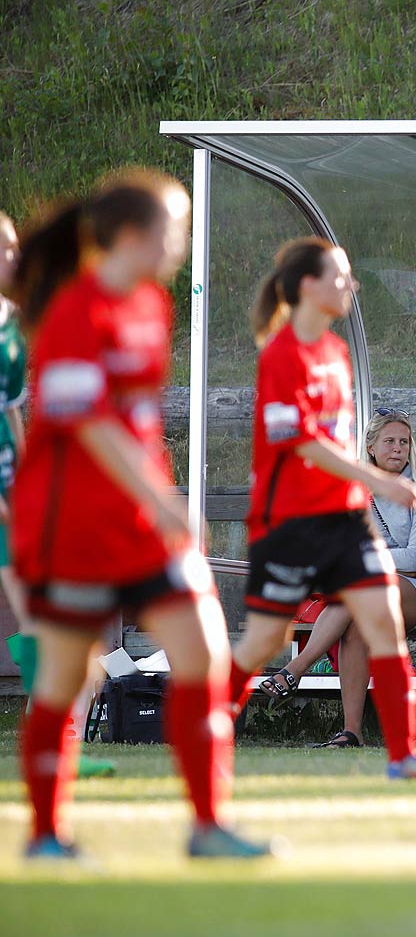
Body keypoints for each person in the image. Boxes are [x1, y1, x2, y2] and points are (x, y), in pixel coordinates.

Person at [11, 170, 268, 859]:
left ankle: (209, 827)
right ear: (133, 235)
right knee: (67, 682)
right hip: (74, 531)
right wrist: (163, 501)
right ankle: (45, 835)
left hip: (142, 529)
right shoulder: (72, 311)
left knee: (206, 657)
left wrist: (163, 502)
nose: (181, 243)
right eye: (174, 229)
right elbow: (89, 423)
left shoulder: (151, 305)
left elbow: (139, 426)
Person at [222, 238, 416, 781]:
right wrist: (379, 481)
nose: (352, 286)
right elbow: (301, 443)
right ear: (308, 286)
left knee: (379, 621)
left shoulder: (336, 353)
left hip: (342, 521)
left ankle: (405, 757)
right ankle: (207, 725)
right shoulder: (282, 354)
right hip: (290, 521)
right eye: (342, 276)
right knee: (262, 640)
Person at [0, 212, 115, 781]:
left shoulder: (15, 329)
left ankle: (60, 739)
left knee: (58, 626)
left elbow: (14, 411)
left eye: (14, 245)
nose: (12, 256)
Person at [262, 411, 416, 748]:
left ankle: (296, 669)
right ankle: (351, 732)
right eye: (390, 442)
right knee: (355, 624)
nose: (398, 449)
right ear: (371, 447)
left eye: (404, 442)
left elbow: (415, 559)